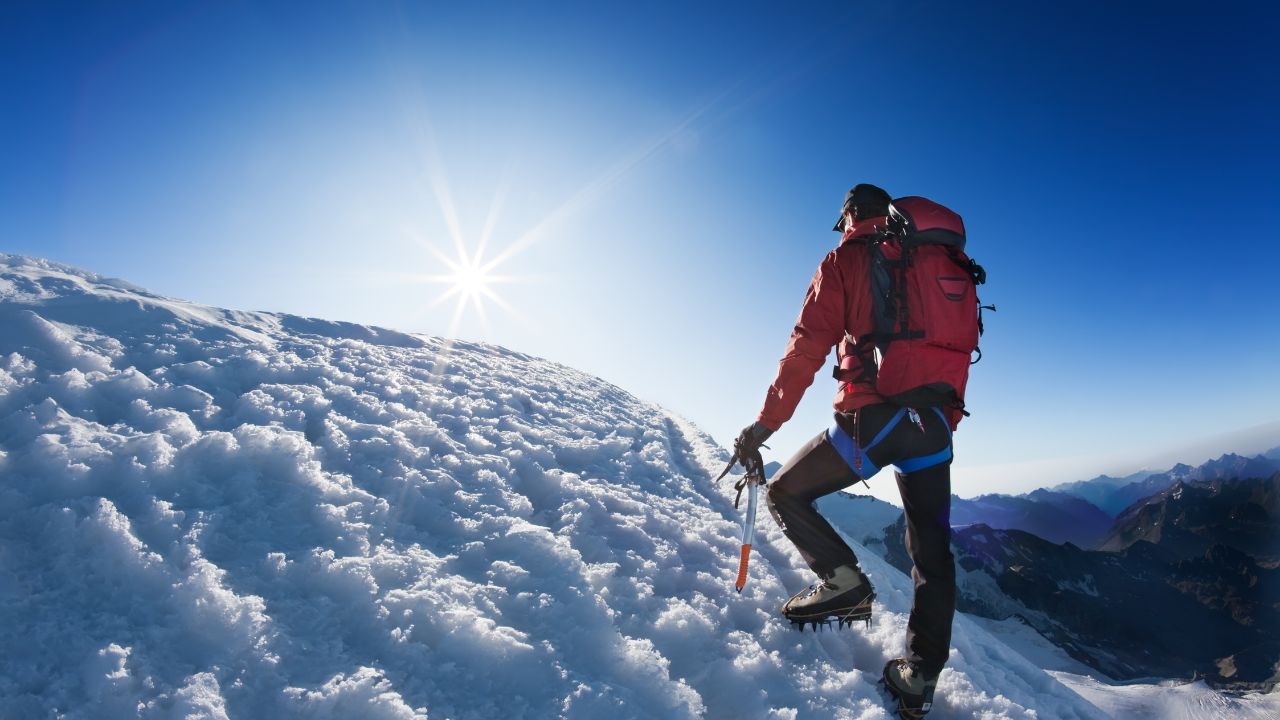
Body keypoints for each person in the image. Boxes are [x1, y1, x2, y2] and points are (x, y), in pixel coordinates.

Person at [731, 183, 972, 718]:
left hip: (878, 419)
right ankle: (920, 677)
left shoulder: (846, 259)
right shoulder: (934, 259)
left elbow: (807, 345)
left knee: (786, 492)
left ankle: (843, 581)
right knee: (932, 553)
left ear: (848, 217)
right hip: (933, 427)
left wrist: (764, 425)